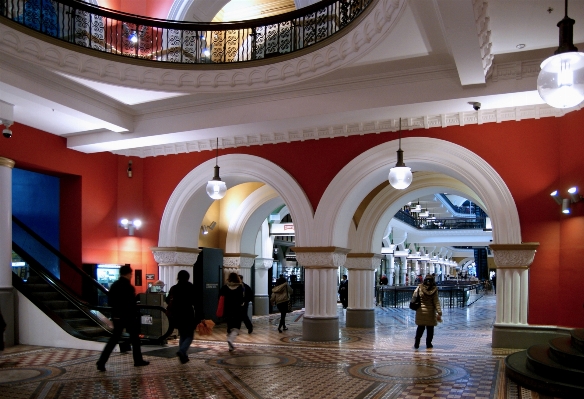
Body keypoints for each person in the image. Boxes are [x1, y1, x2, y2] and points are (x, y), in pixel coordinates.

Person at [96, 265, 149, 371]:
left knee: (114, 339)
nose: (131, 276)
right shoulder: (129, 287)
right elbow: (131, 304)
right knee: (135, 338)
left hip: (117, 316)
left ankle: (101, 361)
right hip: (128, 316)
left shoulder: (114, 285)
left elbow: (110, 301)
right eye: (131, 274)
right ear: (128, 274)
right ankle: (138, 360)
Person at [166, 270, 197, 364]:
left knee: (183, 334)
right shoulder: (190, 287)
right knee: (189, 335)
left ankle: (184, 356)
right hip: (187, 313)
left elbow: (168, 300)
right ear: (188, 277)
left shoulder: (174, 288)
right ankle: (182, 351)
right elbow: (195, 301)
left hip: (177, 314)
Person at [413, 274, 442, 350]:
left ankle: (417, 343)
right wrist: (439, 311)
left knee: (420, 328)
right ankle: (428, 344)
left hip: (420, 311)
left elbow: (414, 296)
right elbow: (436, 301)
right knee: (430, 329)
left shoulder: (419, 287)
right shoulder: (434, 289)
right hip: (430, 312)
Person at [219, 272, 245, 351]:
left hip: (227, 309)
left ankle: (230, 346)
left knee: (229, 326)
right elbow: (242, 298)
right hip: (237, 309)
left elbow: (220, 297)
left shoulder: (224, 287)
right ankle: (230, 340)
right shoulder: (241, 287)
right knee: (237, 327)